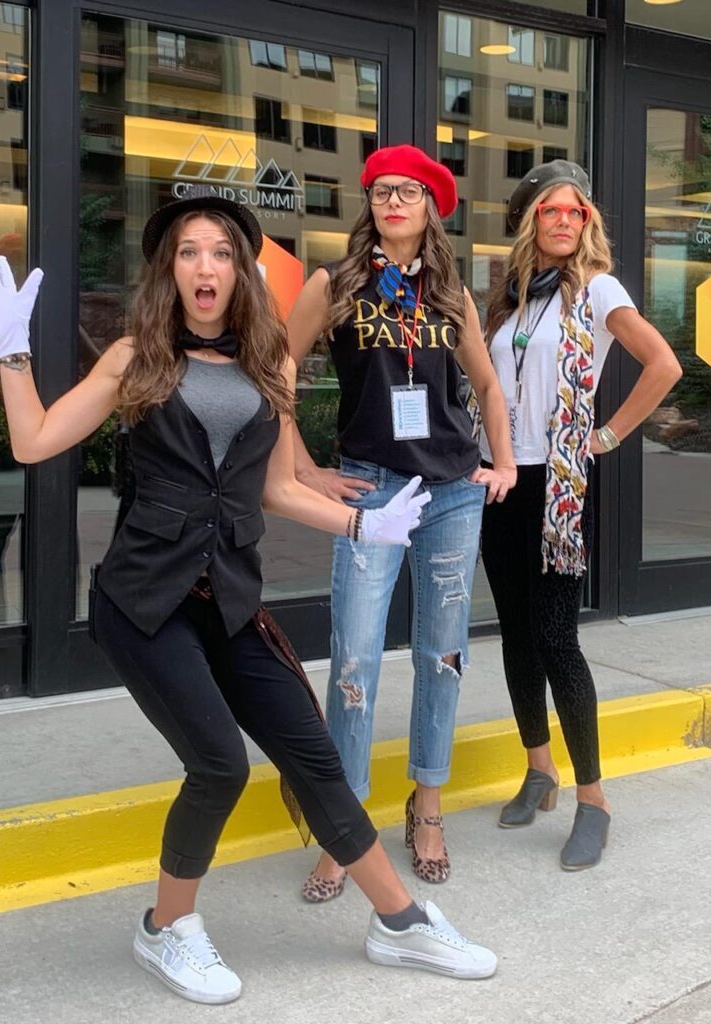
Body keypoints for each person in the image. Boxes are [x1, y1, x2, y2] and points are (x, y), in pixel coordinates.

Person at [0, 193, 499, 1005]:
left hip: (229, 597)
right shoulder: (135, 358)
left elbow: (280, 487)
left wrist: (364, 524)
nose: (204, 267)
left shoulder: (262, 368)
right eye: (188, 252)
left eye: (220, 253)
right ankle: (166, 928)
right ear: (169, 271)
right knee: (217, 763)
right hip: (144, 601)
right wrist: (12, 353)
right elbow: (35, 440)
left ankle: (400, 924)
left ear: (242, 272)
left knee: (314, 756)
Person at [286, 145, 516, 901]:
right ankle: (345, 832)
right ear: (369, 203)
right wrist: (303, 467)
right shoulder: (337, 282)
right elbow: (275, 370)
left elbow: (485, 383)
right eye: (382, 191)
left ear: (430, 209)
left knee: (441, 655)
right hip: (372, 489)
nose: (393, 203)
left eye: (408, 194)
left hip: (451, 489)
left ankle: (427, 807)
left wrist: (503, 464)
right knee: (354, 658)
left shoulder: (451, 293)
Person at [479, 159, 682, 870]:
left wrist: (606, 436)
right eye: (550, 211)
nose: (564, 221)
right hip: (503, 480)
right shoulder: (509, 297)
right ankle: (540, 769)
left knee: (557, 638)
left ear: (588, 221)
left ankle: (593, 799)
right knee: (514, 637)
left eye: (576, 211)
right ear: (532, 221)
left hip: (559, 486)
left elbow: (662, 364)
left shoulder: (598, 289)